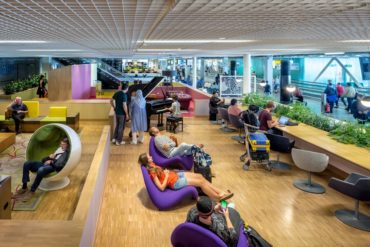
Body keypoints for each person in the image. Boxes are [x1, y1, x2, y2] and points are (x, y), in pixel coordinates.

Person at [138, 153, 233, 201]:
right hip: (175, 183)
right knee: (201, 182)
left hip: (175, 175)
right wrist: (166, 175)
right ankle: (217, 197)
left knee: (200, 176)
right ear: (147, 161)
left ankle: (221, 192)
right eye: (149, 157)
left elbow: (162, 173)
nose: (151, 156)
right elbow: (161, 188)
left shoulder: (152, 165)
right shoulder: (152, 173)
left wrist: (169, 172)